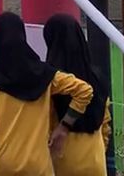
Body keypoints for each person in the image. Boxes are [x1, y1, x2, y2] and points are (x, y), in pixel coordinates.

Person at [0, 12, 94, 176]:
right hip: (40, 168)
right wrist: (63, 127)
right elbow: (84, 90)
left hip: (2, 167)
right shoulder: (46, 75)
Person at [43, 14, 111, 176]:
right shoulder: (97, 78)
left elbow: (46, 122)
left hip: (63, 159)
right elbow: (105, 125)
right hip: (96, 160)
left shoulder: (54, 82)